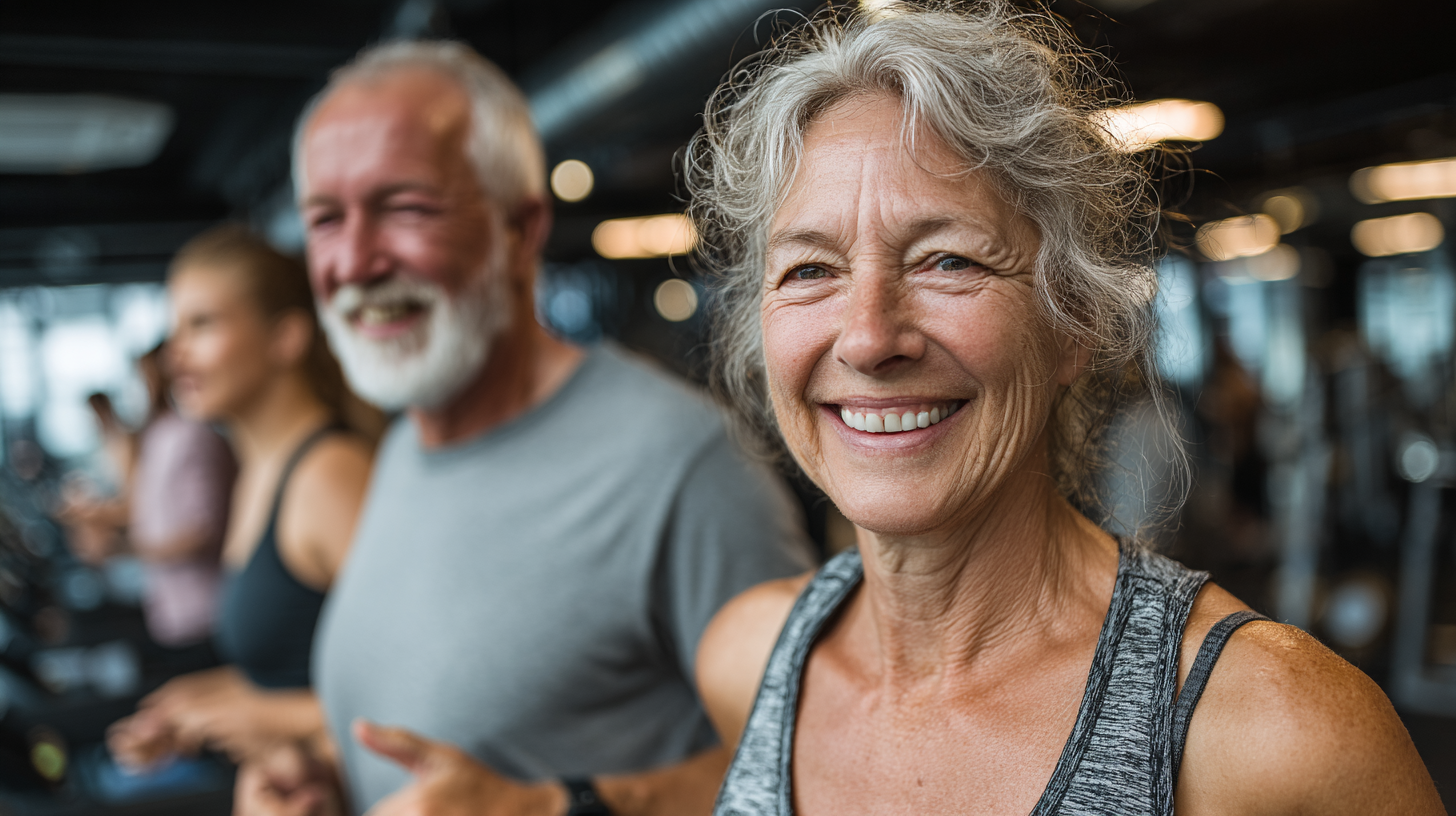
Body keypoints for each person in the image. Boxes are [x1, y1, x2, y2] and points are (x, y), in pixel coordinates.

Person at [683, 5, 1446, 815]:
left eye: (948, 259)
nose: (869, 338)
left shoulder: (1277, 735)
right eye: (809, 270)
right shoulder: (749, 658)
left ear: (1073, 321)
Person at [234, 40, 811, 816]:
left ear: (521, 227)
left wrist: (549, 808)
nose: (357, 261)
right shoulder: (406, 448)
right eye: (327, 221)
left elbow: (814, 767)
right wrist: (328, 780)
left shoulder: (682, 462)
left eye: (405, 208)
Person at [107, 225, 377, 768]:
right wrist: (197, 703)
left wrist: (242, 715)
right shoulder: (259, 474)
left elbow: (415, 702)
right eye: (175, 330)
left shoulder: (330, 476)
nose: (174, 355)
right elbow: (296, 667)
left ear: (287, 337)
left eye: (201, 325)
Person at [62, 346, 238, 649]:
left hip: (204, 610)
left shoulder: (192, 435)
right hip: (170, 606)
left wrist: (120, 547)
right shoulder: (157, 436)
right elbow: (147, 509)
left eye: (143, 378)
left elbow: (200, 533)